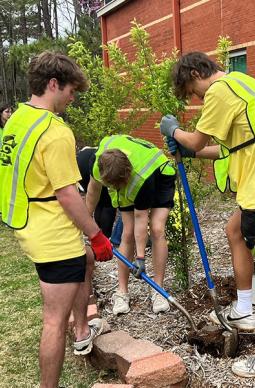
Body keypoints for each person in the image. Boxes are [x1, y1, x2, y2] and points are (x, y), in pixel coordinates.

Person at [161, 52, 255, 377]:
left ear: (198, 72)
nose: (195, 98)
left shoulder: (220, 90)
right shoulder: (244, 84)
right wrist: (192, 150)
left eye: (191, 90)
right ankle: (244, 309)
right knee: (235, 231)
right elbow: (230, 147)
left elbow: (197, 139)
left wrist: (174, 132)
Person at [0, 51, 113, 388]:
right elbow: (67, 195)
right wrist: (96, 234)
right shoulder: (55, 131)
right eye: (70, 90)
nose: (72, 98)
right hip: (50, 231)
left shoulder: (17, 119)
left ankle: (82, 332)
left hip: (28, 219)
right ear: (53, 84)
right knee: (53, 319)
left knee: (87, 261)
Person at [85, 134, 176, 315]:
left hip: (158, 175)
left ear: (127, 173)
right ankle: (122, 292)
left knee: (157, 229)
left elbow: (141, 219)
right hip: (130, 176)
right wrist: (84, 221)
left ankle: (158, 289)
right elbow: (92, 193)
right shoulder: (97, 165)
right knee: (127, 233)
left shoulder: (140, 178)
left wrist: (140, 259)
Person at [77, 146, 116, 237]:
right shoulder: (116, 155)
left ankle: (94, 231)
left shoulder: (103, 147)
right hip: (95, 165)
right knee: (108, 203)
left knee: (97, 200)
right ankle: (105, 235)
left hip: (80, 166)